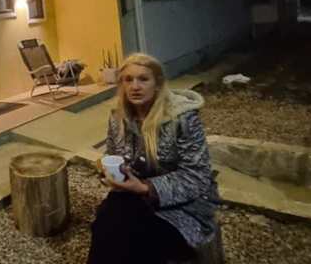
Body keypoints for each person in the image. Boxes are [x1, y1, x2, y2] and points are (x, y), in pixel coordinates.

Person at [87, 53, 220, 264]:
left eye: (143, 79)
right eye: (128, 80)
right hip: (132, 193)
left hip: (182, 204)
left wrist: (145, 188)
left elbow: (196, 176)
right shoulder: (117, 117)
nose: (135, 86)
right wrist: (107, 170)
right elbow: (113, 155)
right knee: (105, 223)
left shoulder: (182, 118)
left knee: (137, 237)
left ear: (157, 84)